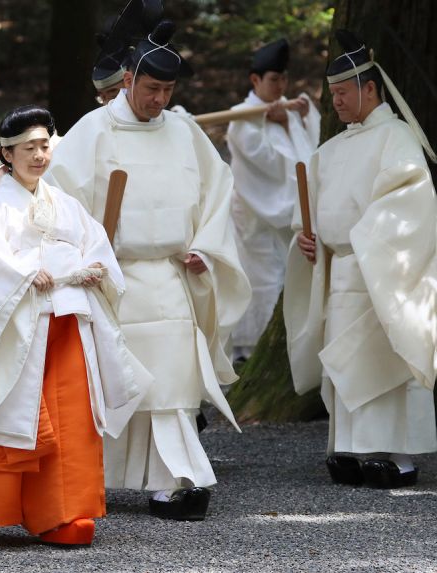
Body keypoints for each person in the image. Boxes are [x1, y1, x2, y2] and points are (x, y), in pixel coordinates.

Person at [45, 20, 250, 521]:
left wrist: (205, 245)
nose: (159, 99)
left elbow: (218, 189)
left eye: (168, 90)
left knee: (174, 383)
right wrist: (84, 251)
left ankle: (178, 480)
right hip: (114, 279)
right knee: (118, 384)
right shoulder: (91, 131)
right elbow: (56, 198)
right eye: (152, 87)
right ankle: (102, 477)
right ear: (129, 78)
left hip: (171, 276)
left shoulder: (184, 130)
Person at [0, 105, 148, 546]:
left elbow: (97, 247)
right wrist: (21, 273)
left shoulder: (66, 205)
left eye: (44, 146)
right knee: (8, 409)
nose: (38, 155)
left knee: (71, 418)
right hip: (18, 327)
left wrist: (96, 269)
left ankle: (62, 511)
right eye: (28, 147)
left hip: (67, 322)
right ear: (7, 154)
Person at [285, 29, 437, 489]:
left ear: (370, 89)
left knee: (382, 360)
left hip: (381, 270)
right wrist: (308, 241)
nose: (337, 102)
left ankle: (396, 455)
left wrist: (363, 241)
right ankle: (350, 447)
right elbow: (308, 213)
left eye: (344, 92)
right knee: (344, 362)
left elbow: (410, 205)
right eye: (332, 94)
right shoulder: (331, 149)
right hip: (339, 270)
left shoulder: (398, 140)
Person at [227, 38, 320, 362]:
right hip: (257, 214)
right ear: (255, 81)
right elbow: (271, 164)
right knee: (264, 279)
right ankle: (257, 348)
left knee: (288, 279)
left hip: (289, 214)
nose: (280, 86)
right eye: (273, 80)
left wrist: (300, 122)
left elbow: (311, 156)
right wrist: (283, 123)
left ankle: (292, 348)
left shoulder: (287, 112)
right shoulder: (241, 117)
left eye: (283, 79)